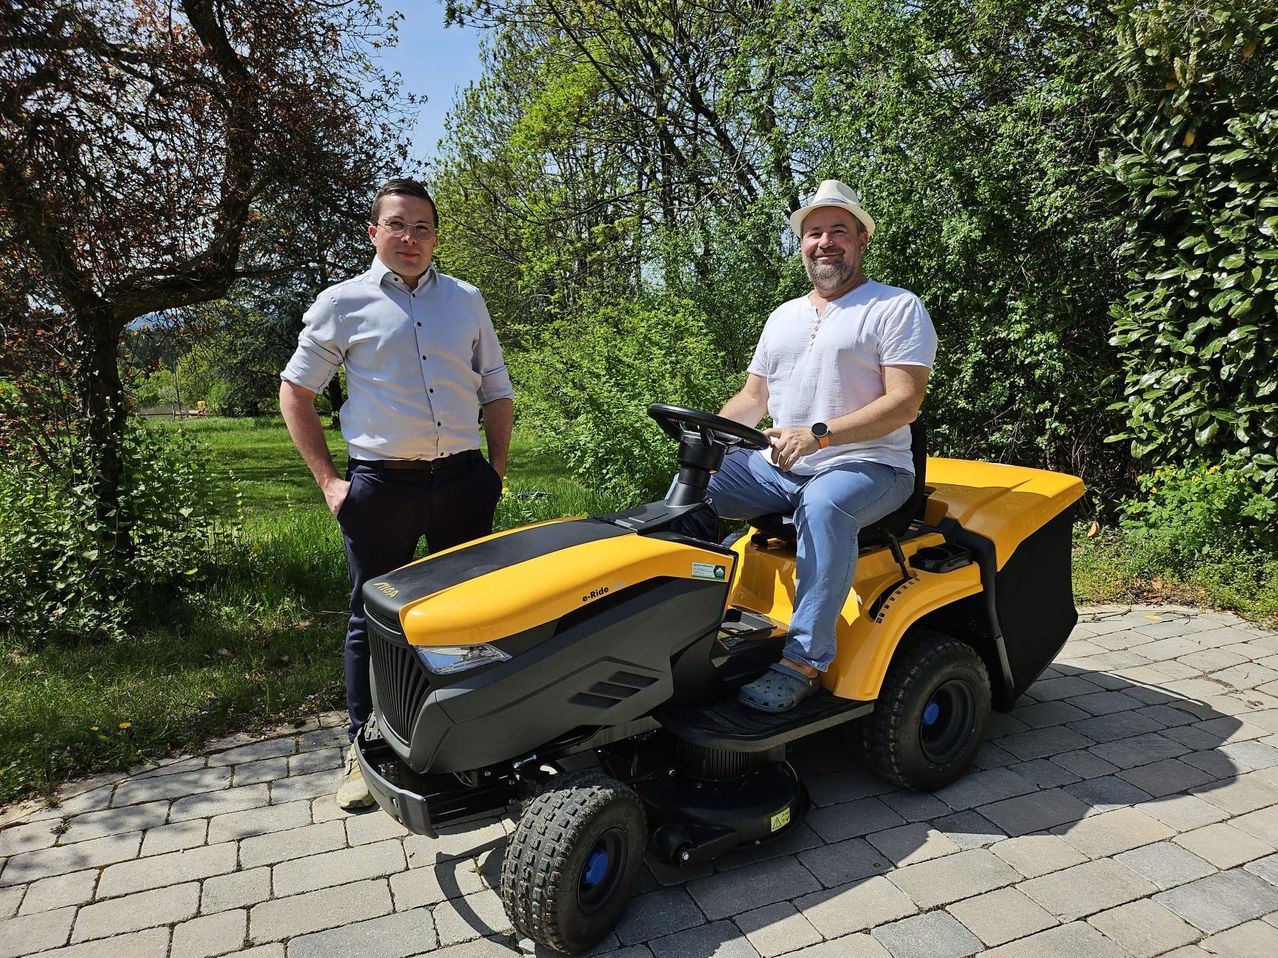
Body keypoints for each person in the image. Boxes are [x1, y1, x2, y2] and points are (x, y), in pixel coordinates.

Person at [279, 178, 514, 808]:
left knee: (469, 612)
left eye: (423, 228)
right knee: (373, 619)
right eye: (398, 225)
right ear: (374, 231)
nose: (411, 239)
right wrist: (331, 483)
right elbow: (295, 393)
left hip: (463, 480)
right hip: (382, 486)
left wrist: (494, 468)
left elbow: (495, 384)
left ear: (436, 236)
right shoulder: (342, 304)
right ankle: (365, 746)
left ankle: (466, 737)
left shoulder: (466, 300)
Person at [706, 179, 936, 713]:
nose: (825, 241)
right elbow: (752, 398)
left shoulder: (895, 308)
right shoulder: (782, 316)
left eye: (838, 231)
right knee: (696, 485)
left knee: (824, 502)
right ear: (802, 244)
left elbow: (905, 404)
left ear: (862, 241)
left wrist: (817, 434)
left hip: (871, 467)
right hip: (779, 466)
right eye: (814, 233)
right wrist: (708, 435)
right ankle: (670, 619)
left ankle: (804, 660)